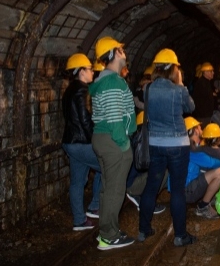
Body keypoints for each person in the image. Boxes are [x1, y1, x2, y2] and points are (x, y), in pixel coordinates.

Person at [138, 48, 197, 247]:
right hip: (178, 146)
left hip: (155, 144)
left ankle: (143, 230)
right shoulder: (178, 90)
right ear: (174, 69)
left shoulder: (148, 89)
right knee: (178, 190)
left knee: (151, 187)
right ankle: (180, 235)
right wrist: (181, 84)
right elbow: (191, 108)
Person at [90, 37, 137, 250]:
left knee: (108, 188)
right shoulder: (112, 82)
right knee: (114, 190)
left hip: (103, 138)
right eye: (122, 49)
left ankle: (108, 231)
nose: (124, 53)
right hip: (113, 140)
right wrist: (124, 145)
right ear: (116, 53)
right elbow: (115, 117)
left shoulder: (105, 80)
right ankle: (109, 236)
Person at [61, 53, 102, 231]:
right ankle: (95, 205)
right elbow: (85, 119)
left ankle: (79, 220)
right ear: (81, 71)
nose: (92, 71)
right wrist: (96, 140)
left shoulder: (69, 90)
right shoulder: (82, 90)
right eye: (90, 69)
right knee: (108, 166)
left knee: (77, 181)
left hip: (71, 142)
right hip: (82, 142)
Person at [179, 117, 220, 220]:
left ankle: (209, 196)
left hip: (182, 189)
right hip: (186, 192)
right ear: (195, 131)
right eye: (199, 128)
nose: (202, 130)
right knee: (219, 172)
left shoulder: (187, 145)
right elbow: (211, 162)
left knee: (209, 169)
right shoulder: (191, 150)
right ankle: (203, 207)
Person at [124, 111, 167, 215]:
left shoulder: (135, 138)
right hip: (132, 184)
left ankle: (142, 195)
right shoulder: (144, 142)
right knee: (163, 170)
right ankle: (146, 202)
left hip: (130, 180)